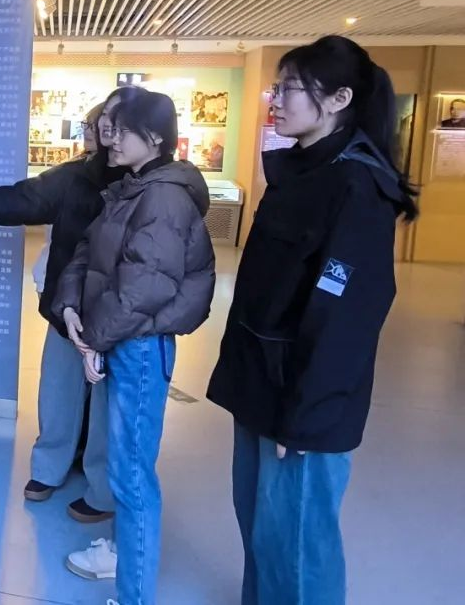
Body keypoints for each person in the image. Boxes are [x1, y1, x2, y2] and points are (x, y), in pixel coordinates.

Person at [206, 36, 418, 605]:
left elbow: (346, 317)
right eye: (276, 88)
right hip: (263, 381)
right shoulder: (301, 171)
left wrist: (304, 419)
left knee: (297, 544)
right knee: (260, 527)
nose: (275, 100)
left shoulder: (356, 186)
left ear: (339, 99)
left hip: (301, 401)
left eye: (291, 89)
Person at [54, 90, 215, 604]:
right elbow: (89, 252)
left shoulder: (163, 197)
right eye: (109, 126)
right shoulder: (135, 186)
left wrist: (92, 337)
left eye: (122, 129)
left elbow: (146, 286)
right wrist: (71, 307)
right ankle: (124, 556)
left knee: (132, 475)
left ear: (156, 138)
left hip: (138, 346)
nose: (111, 137)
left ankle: (134, 594)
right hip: (121, 338)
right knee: (125, 467)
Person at [0, 88, 139, 523]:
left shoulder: (151, 183)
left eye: (111, 125)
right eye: (97, 124)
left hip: (120, 314)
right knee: (58, 391)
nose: (101, 133)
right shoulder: (76, 176)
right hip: (67, 304)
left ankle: (101, 488)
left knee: (109, 406)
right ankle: (49, 467)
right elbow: (29, 197)